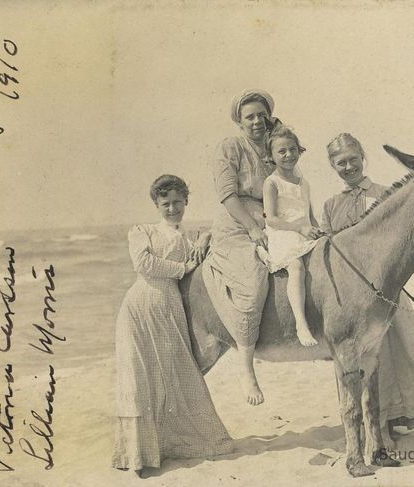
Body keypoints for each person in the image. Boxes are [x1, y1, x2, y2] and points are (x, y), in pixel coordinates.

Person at [321, 133, 414, 443]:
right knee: (357, 361)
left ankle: (393, 419)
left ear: (363, 157)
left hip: (387, 292)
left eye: (353, 159)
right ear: (332, 166)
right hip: (352, 302)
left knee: (399, 355)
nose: (349, 166)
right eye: (341, 163)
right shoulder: (331, 205)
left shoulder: (382, 194)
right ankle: (370, 426)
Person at [112, 175, 232, 477]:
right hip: (141, 305)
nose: (172, 208)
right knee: (141, 375)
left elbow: (200, 261)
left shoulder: (187, 238)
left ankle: (170, 445)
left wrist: (204, 242)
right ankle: (141, 453)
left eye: (178, 202)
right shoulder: (142, 232)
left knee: (176, 372)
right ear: (156, 204)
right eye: (165, 204)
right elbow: (144, 265)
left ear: (186, 202)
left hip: (171, 308)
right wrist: (183, 268)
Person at [202, 89, 277, 406]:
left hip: (270, 218)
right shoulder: (230, 147)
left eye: (262, 115)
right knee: (253, 280)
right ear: (239, 121)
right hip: (237, 223)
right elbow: (227, 195)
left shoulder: (274, 147)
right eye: (250, 116)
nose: (257, 121)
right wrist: (252, 227)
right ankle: (247, 369)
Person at [260, 125, 320, 346]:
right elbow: (271, 219)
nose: (288, 155)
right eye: (282, 151)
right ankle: (300, 324)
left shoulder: (303, 182)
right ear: (271, 156)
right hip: (283, 233)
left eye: (293, 149)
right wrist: (300, 228)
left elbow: (310, 215)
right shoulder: (272, 183)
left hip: (304, 231)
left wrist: (317, 230)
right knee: (296, 267)